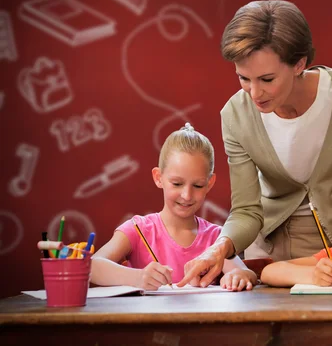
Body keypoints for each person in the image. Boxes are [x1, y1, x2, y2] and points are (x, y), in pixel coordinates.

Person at [178, 0, 332, 288]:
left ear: (299, 64)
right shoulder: (235, 115)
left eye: (267, 79)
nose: (254, 93)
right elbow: (246, 210)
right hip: (273, 261)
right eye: (243, 78)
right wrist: (217, 250)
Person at [90, 123, 257, 291]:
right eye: (177, 183)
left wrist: (239, 276)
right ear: (158, 177)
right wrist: (138, 277)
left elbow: (246, 273)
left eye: (198, 185)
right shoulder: (138, 229)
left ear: (209, 183)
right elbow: (92, 266)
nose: (187, 195)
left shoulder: (216, 238)